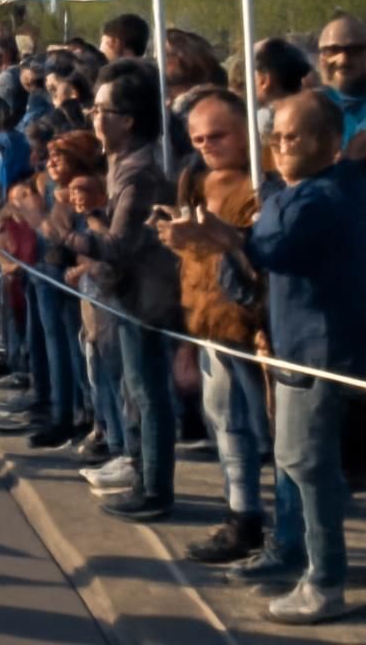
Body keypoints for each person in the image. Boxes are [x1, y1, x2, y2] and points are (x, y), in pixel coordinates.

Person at [165, 90, 366, 625]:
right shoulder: (308, 190)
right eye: (276, 137)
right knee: (305, 463)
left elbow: (272, 248)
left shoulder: (324, 195)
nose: (282, 147)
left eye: (294, 137)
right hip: (296, 345)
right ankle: (311, 564)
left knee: (305, 463)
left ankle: (323, 581)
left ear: (329, 140)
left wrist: (223, 236)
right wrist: (233, 236)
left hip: (315, 352)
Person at [47, 60, 180, 521]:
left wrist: (67, 233)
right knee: (134, 390)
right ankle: (141, 475)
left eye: (102, 110)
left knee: (148, 393)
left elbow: (120, 245)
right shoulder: (121, 163)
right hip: (125, 295)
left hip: (145, 298)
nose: (94, 117)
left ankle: (154, 488)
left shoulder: (139, 171)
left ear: (128, 120)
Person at [152, 89, 268, 565]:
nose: (207, 146)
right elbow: (191, 264)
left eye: (217, 136)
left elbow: (260, 260)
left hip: (255, 328)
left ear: (244, 132)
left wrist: (222, 238)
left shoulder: (263, 183)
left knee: (273, 437)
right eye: (198, 139)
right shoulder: (195, 179)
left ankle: (282, 533)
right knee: (225, 422)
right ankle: (242, 516)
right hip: (206, 321)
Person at [316, 12, 366, 152]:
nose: (343, 60)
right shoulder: (301, 113)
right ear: (320, 58)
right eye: (332, 50)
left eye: (354, 50)